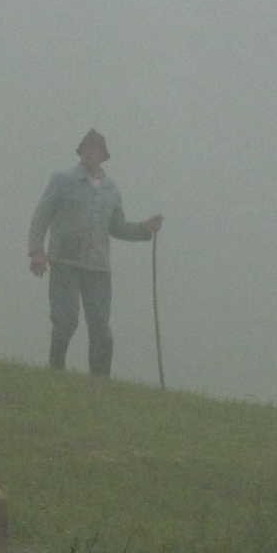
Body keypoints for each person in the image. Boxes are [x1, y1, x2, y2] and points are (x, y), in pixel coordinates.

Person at [28, 129, 163, 376]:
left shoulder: (111, 190)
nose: (92, 153)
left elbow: (117, 227)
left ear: (103, 156)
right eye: (88, 149)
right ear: (81, 152)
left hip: (98, 266)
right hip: (64, 260)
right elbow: (42, 215)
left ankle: (100, 381)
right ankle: (55, 372)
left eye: (97, 150)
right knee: (65, 320)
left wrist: (146, 228)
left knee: (100, 325)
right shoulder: (62, 180)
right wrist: (37, 250)